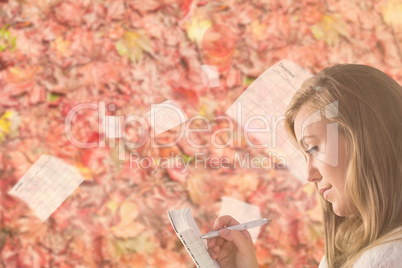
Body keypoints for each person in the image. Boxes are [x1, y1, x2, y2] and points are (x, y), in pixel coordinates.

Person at [206, 64, 402, 268]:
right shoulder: (351, 252)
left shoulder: (386, 257)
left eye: (314, 148)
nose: (309, 175)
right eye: (305, 154)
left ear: (366, 138)